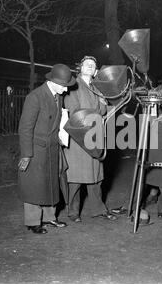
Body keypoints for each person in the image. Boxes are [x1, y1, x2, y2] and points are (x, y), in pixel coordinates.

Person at [111, 65, 162, 220]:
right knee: (142, 173)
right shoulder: (159, 88)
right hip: (151, 136)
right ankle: (130, 206)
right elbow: (145, 101)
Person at [18, 64, 75, 234]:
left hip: (52, 147)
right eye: (64, 86)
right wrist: (27, 154)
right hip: (36, 149)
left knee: (51, 183)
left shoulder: (57, 96)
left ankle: (49, 217)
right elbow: (25, 128)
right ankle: (33, 221)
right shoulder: (35, 97)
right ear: (53, 81)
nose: (66, 90)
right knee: (34, 185)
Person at [63, 56, 117, 223]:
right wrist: (97, 114)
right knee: (76, 178)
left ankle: (98, 209)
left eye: (92, 65)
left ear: (95, 71)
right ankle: (73, 212)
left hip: (94, 136)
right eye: (86, 64)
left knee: (95, 175)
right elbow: (74, 111)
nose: (89, 66)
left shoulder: (97, 88)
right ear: (80, 67)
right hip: (79, 135)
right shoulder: (73, 86)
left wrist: (104, 106)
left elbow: (103, 109)